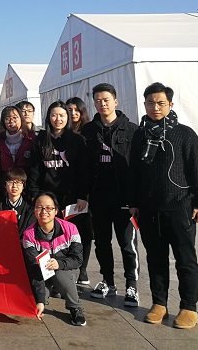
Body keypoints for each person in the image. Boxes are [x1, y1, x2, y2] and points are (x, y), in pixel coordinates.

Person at [128, 82, 198, 329]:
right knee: (155, 258)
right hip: (149, 209)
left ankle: (189, 307)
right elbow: (134, 171)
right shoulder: (140, 135)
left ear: (170, 105)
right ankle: (159, 303)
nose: (155, 107)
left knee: (185, 259)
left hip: (180, 206)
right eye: (150, 103)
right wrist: (133, 202)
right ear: (145, 104)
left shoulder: (184, 134)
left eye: (161, 103)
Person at [81, 83, 140, 303]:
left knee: (127, 244)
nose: (102, 104)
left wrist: (136, 200)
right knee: (102, 242)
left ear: (115, 101)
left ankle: (132, 285)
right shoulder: (89, 131)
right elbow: (84, 167)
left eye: (106, 100)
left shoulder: (132, 130)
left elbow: (138, 167)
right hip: (99, 197)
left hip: (124, 198)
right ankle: (108, 281)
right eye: (97, 100)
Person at [29, 101, 93, 284]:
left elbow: (84, 171)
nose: (58, 119)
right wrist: (35, 195)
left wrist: (83, 196)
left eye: (62, 115)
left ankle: (80, 269)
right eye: (54, 115)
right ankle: (52, 275)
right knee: (51, 235)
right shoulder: (40, 141)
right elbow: (34, 171)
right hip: (49, 199)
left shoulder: (77, 140)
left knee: (79, 234)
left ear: (68, 117)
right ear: (48, 117)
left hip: (73, 198)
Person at [23, 192, 86, 326]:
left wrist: (59, 264)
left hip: (67, 270)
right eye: (39, 207)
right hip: (42, 273)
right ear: (34, 210)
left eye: (48, 208)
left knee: (60, 275)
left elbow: (77, 259)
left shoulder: (70, 229)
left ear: (56, 210)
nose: (43, 211)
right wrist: (40, 300)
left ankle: (75, 307)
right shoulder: (29, 235)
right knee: (36, 301)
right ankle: (51, 291)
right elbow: (34, 267)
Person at [0, 105, 36, 180]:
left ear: (21, 119)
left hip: (27, 182)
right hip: (6, 183)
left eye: (15, 118)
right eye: (7, 118)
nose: (11, 121)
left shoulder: (32, 140)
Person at [0, 167, 36, 237]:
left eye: (18, 182)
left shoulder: (30, 208)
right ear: (5, 185)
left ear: (23, 186)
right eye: (10, 182)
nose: (14, 186)